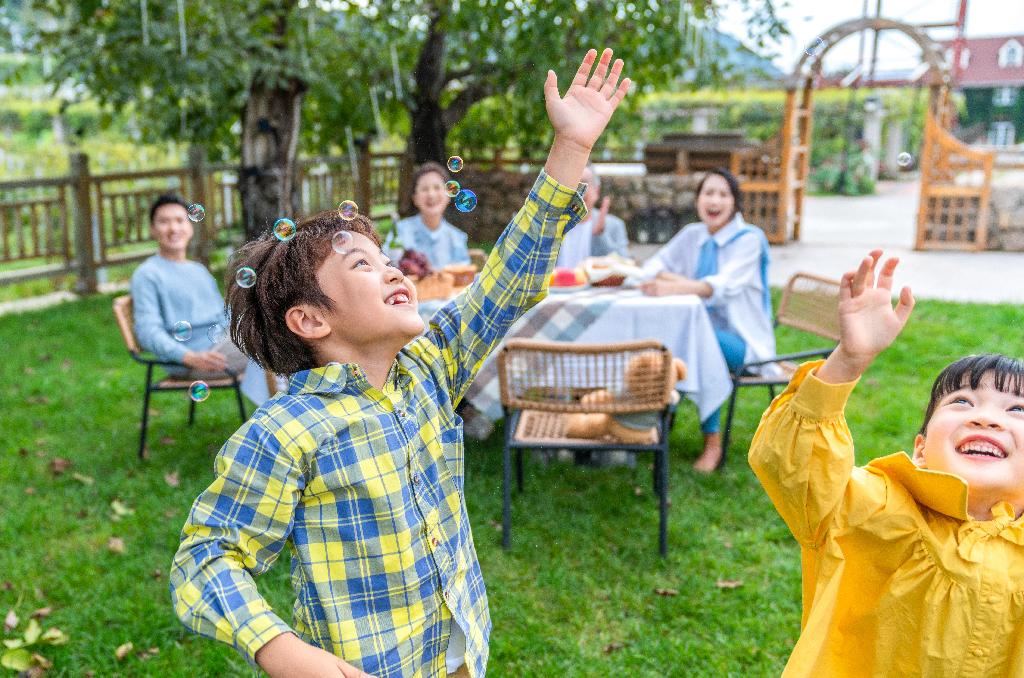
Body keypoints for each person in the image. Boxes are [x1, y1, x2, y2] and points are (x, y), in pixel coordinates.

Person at [169, 48, 631, 678]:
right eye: (361, 264)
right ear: (310, 320)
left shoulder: (431, 370)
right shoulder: (285, 432)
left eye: (386, 259)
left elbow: (508, 280)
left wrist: (569, 149)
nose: (391, 268)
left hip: (460, 655)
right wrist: (284, 651)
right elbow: (206, 555)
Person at [751, 250, 1024, 675]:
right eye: (962, 402)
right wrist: (847, 362)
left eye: (1016, 411)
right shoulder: (874, 509)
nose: (985, 416)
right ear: (920, 449)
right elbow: (796, 465)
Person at [638, 168, 774, 473]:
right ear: (698, 200)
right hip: (702, 334)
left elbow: (720, 287)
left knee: (695, 339)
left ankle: (711, 443)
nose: (714, 201)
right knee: (668, 335)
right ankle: (648, 422)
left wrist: (674, 284)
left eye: (723, 194)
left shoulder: (750, 240)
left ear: (735, 203)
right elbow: (654, 265)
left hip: (744, 343)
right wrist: (668, 277)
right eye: (707, 193)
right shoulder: (693, 234)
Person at [129, 194, 249, 379]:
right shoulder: (147, 274)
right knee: (272, 345)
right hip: (193, 358)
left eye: (180, 220)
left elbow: (223, 316)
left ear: (190, 227)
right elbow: (147, 332)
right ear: (153, 230)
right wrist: (189, 357)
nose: (173, 228)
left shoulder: (198, 270)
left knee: (275, 333)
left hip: (222, 343)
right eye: (164, 222)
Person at [391, 162, 471, 269]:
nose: (431, 194)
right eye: (424, 189)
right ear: (415, 198)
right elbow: (390, 265)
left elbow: (463, 275)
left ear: (448, 195)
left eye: (437, 187)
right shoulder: (400, 231)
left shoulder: (457, 238)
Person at [555, 163, 631, 268]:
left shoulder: (614, 225)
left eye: (584, 184)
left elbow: (626, 266)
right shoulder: (551, 224)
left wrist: (601, 235)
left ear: (597, 190)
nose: (579, 192)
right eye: (573, 185)